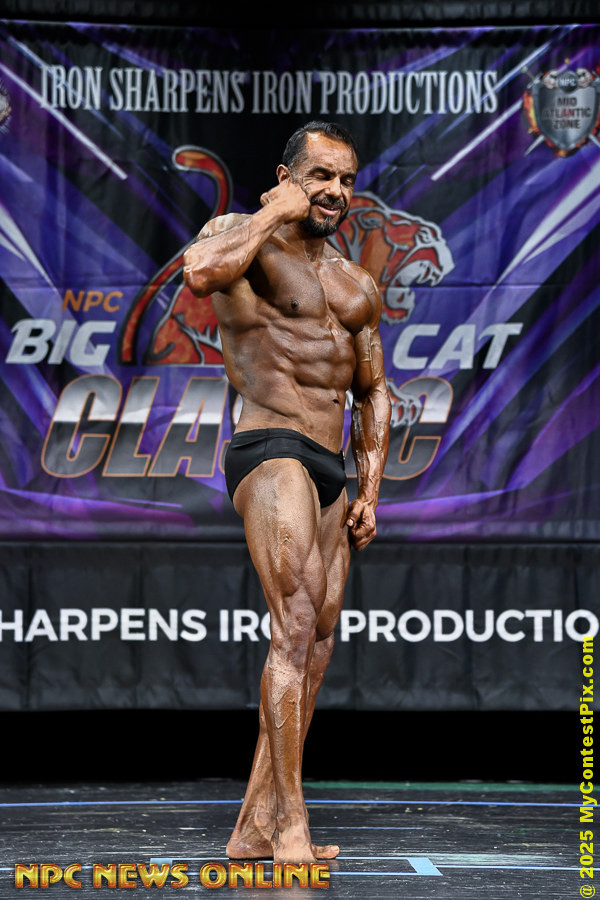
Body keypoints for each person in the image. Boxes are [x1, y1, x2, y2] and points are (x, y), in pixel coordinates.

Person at [183, 121, 391, 864]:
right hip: (270, 448)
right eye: (322, 176)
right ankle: (292, 827)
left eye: (347, 179)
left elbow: (374, 390)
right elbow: (199, 274)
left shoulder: (356, 282)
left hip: (332, 468)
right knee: (295, 625)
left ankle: (252, 826)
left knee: (319, 637)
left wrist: (370, 490)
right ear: (287, 176)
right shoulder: (241, 237)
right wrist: (274, 212)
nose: (336, 191)